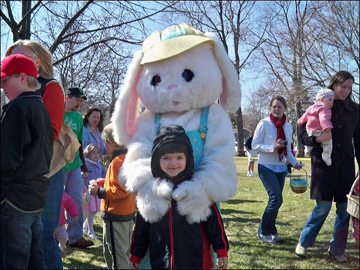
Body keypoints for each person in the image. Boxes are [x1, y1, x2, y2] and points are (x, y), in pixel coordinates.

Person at [129, 125, 229, 269]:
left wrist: (221, 249)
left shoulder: (197, 187)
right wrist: (135, 254)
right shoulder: (151, 191)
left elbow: (214, 222)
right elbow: (141, 227)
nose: (173, 163)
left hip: (197, 260)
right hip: (162, 260)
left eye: (179, 157)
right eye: (166, 158)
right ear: (157, 159)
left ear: (187, 158)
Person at [5, 39, 65, 269]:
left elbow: (50, 132)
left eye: (24, 57)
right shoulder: (14, 87)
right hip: (22, 177)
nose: (18, 62)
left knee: (45, 238)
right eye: (12, 58)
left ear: (38, 62)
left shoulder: (51, 87)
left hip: (47, 172)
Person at [295, 71, 359, 263]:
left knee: (343, 209)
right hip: (323, 164)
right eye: (343, 87)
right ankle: (304, 242)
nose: (346, 91)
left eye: (350, 87)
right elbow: (302, 135)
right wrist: (317, 139)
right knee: (322, 207)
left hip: (346, 166)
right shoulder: (318, 105)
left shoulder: (355, 110)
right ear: (334, 85)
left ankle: (337, 248)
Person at [252, 96, 303, 245]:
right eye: (274, 106)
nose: (276, 109)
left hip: (280, 167)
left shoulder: (288, 126)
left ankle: (272, 231)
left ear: (284, 108)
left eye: (279, 107)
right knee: (276, 199)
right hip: (265, 167)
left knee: (276, 201)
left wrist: (295, 163)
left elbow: (287, 149)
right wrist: (272, 147)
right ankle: (263, 231)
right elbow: (254, 145)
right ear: (270, 108)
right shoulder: (264, 124)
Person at [89, 123, 135, 269]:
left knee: (117, 256)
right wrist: (105, 182)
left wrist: (99, 192)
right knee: (120, 253)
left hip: (116, 217)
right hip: (125, 215)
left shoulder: (117, 162)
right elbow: (120, 183)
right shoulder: (127, 158)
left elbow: (122, 190)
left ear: (109, 143)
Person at [63, 87, 94, 248]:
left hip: (74, 165)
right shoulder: (55, 113)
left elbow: (80, 144)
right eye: (76, 100)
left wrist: (83, 166)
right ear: (67, 98)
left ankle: (75, 237)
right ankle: (56, 236)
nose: (78, 104)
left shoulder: (77, 117)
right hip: (57, 166)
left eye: (81, 101)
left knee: (76, 200)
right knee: (57, 201)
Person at [298, 88, 335, 166]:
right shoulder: (324, 109)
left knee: (309, 142)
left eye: (332, 100)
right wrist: (326, 127)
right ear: (321, 99)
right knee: (328, 143)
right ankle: (326, 156)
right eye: (330, 100)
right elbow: (323, 119)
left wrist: (300, 121)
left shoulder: (311, 107)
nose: (332, 102)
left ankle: (307, 150)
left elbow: (305, 116)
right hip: (320, 130)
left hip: (310, 130)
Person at [83, 144, 106, 239]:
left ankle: (84, 228)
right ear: (88, 153)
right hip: (88, 192)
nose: (96, 154)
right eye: (93, 152)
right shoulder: (86, 163)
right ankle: (90, 231)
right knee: (90, 212)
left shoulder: (99, 165)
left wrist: (105, 166)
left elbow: (103, 175)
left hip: (96, 192)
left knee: (93, 211)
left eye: (97, 152)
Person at [55, 192, 79, 259]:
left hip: (60, 224)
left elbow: (69, 202)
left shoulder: (61, 194)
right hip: (48, 223)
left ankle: (62, 248)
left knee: (64, 237)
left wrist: (74, 214)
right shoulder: (45, 192)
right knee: (49, 240)